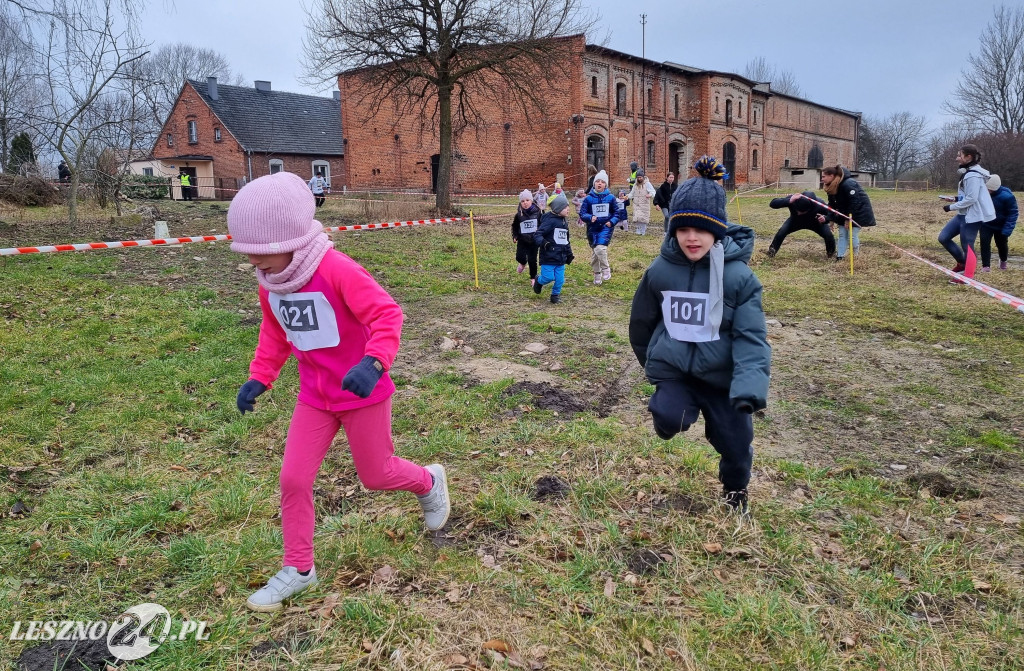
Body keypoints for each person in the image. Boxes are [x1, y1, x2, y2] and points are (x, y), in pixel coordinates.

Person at [227, 172, 451, 612]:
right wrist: (261, 376)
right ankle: (299, 569)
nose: (255, 265)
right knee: (293, 478)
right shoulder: (270, 281)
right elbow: (274, 333)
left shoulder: (336, 269)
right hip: (315, 396)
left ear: (288, 238)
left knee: (376, 474)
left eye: (262, 256)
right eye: (249, 257)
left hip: (363, 393)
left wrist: (374, 362)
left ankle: (428, 481)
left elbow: (388, 315)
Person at [629, 156, 771, 514]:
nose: (692, 238)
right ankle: (675, 413)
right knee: (667, 414)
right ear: (673, 229)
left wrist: (749, 388)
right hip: (679, 375)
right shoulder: (659, 271)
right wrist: (655, 365)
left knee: (737, 446)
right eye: (683, 229)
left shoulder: (740, 279)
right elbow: (641, 322)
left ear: (718, 231)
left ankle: (735, 493)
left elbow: (752, 338)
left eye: (702, 229)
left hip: (723, 381)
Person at [937, 145, 994, 281]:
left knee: (967, 245)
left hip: (972, 217)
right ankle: (962, 264)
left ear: (968, 157)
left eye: (959, 155)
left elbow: (972, 199)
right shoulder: (968, 173)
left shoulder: (973, 176)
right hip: (962, 215)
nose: (957, 158)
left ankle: (968, 276)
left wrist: (951, 207)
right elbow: (969, 195)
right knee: (943, 237)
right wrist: (955, 198)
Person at [820, 165, 875, 261]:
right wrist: (830, 219)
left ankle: (855, 257)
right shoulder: (831, 187)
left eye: (824, 176)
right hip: (843, 213)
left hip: (857, 213)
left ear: (831, 176)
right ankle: (840, 256)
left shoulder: (848, 184)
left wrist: (848, 219)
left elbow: (855, 202)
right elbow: (832, 205)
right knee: (842, 234)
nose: (822, 179)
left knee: (852, 235)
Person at [580, 170, 622, 285]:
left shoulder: (611, 198)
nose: (599, 183)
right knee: (595, 255)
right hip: (592, 229)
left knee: (600, 249)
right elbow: (582, 213)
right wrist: (590, 217)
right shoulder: (588, 199)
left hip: (605, 227)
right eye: (597, 181)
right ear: (594, 184)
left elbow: (617, 213)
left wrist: (611, 222)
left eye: (602, 182)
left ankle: (605, 268)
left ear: (606, 185)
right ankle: (597, 273)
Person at [531, 192, 574, 304]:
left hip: (561, 257)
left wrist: (569, 254)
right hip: (548, 256)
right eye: (565, 207)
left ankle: (555, 296)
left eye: (568, 206)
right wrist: (545, 243)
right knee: (548, 278)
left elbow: (566, 240)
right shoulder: (549, 221)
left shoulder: (564, 222)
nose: (568, 209)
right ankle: (538, 281)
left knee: (560, 280)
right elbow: (537, 235)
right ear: (557, 208)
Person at [765, 191, 836, 258]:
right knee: (781, 232)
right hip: (795, 221)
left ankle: (831, 254)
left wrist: (825, 219)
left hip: (815, 222)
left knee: (828, 235)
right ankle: (771, 252)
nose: (798, 213)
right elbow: (772, 204)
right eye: (797, 210)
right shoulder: (793, 199)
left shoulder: (819, 204)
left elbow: (832, 215)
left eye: (801, 212)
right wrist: (788, 200)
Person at [980, 174, 1017, 272]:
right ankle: (986, 266)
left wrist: (1007, 229)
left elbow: (1013, 214)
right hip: (986, 224)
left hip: (1001, 226)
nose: (987, 191)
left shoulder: (1008, 197)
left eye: (990, 189)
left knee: (1002, 245)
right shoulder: (983, 194)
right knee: (984, 243)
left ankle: (1003, 261)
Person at [511, 189, 542, 286]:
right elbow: (515, 226)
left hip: (534, 240)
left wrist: (540, 232)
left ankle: (533, 278)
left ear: (531, 200)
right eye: (523, 201)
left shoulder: (538, 212)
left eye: (527, 200)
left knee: (532, 260)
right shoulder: (519, 214)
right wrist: (515, 236)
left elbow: (543, 224)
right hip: (522, 239)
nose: (525, 203)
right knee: (519, 257)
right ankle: (522, 263)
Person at [628, 168, 657, 235]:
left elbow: (653, 192)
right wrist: (627, 197)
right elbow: (632, 193)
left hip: (644, 203)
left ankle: (643, 231)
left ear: (643, 177)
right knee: (637, 218)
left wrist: (649, 195)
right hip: (636, 203)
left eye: (640, 177)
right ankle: (638, 230)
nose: (639, 179)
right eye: (638, 177)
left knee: (643, 218)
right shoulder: (635, 185)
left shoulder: (647, 184)